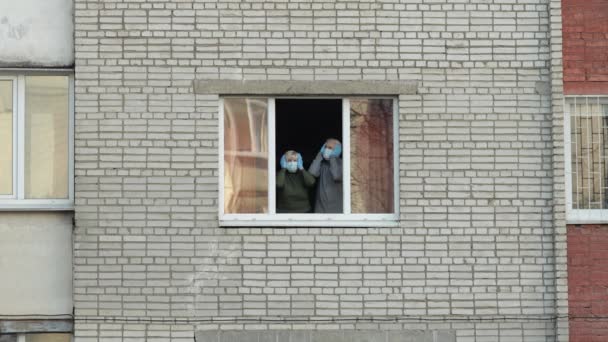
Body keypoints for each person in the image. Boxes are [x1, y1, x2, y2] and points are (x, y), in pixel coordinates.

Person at [308, 138, 343, 213]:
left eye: (330, 148)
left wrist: (333, 157)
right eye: (325, 147)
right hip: (321, 206)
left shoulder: (341, 163)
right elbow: (312, 173)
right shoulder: (322, 163)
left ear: (337, 150)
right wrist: (320, 155)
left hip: (336, 207)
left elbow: (337, 176)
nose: (327, 149)